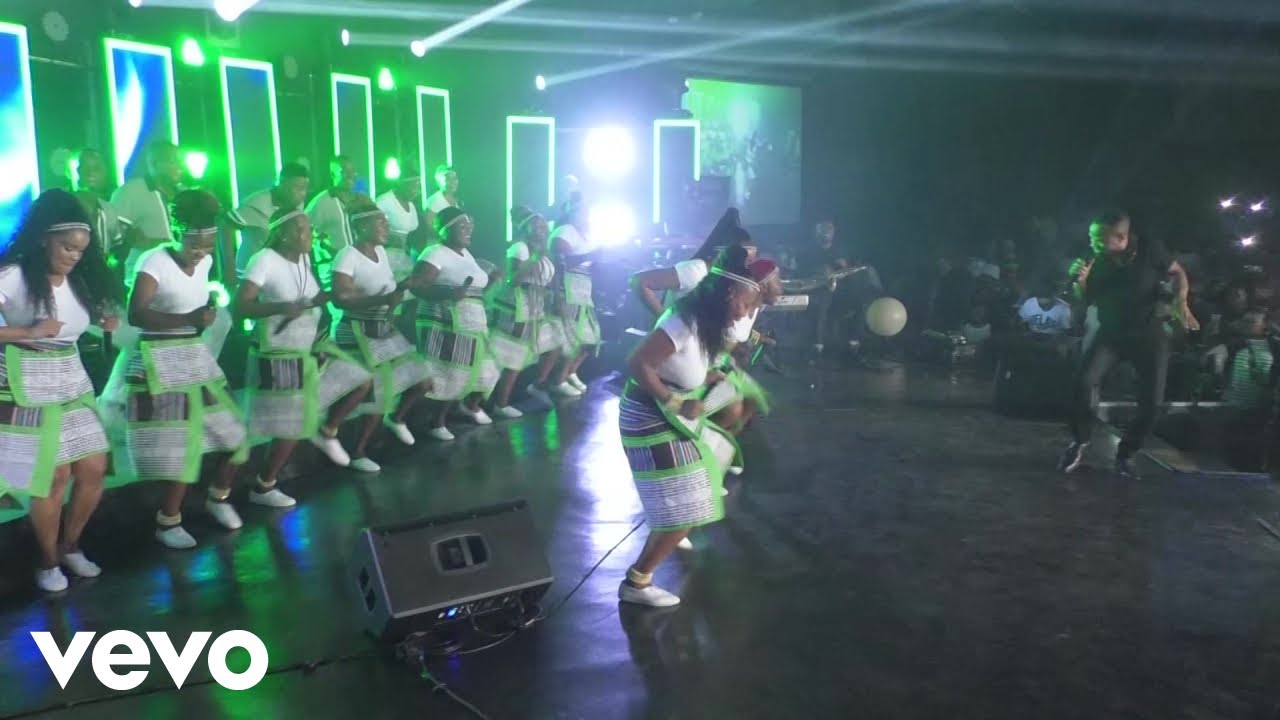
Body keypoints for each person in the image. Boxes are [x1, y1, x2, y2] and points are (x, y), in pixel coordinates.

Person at [616, 250, 769, 607]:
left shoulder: (707, 320)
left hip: (671, 410)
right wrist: (673, 401)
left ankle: (670, 530)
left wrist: (707, 377)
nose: (746, 313)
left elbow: (685, 364)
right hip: (649, 414)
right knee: (693, 501)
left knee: (697, 494)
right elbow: (638, 363)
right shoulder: (683, 320)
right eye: (746, 304)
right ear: (729, 294)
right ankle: (638, 581)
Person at [112, 190, 250, 549]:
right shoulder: (153, 261)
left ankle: (218, 498)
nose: (201, 252)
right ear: (177, 230)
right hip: (159, 357)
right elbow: (137, 314)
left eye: (208, 244)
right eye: (194, 244)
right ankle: (168, 520)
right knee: (182, 446)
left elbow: (194, 306)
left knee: (236, 434)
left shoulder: (205, 263)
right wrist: (189, 318)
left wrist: (204, 313)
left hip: (193, 355)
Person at [0, 189, 122, 592]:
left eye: (80, 250)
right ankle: (48, 560)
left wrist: (101, 321)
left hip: (70, 379)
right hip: (24, 381)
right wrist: (28, 331)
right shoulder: (12, 275)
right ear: (43, 239)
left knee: (93, 468)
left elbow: (74, 321)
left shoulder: (81, 279)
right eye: (67, 247)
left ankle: (71, 546)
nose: (74, 256)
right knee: (52, 475)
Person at [235, 209, 372, 501]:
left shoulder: (305, 259)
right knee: (290, 427)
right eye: (304, 229)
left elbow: (312, 298)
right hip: (278, 352)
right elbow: (242, 306)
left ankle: (327, 431)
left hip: (310, 346)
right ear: (284, 234)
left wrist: (334, 295)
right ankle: (263, 486)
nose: (311, 234)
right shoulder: (264, 260)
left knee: (360, 381)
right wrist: (280, 307)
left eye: (310, 228)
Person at [1058, 210, 1198, 478]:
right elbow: (1086, 298)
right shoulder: (1095, 259)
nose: (1092, 243)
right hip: (1111, 333)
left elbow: (1178, 272)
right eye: (1091, 236)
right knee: (1084, 382)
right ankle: (1080, 441)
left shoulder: (1149, 249)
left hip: (1148, 334)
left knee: (1152, 403)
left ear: (1121, 238)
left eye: (1099, 239)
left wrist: (1181, 302)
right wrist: (1080, 281)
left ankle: (1127, 454)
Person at [329, 198, 433, 470]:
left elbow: (388, 295)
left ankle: (395, 419)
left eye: (387, 222)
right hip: (357, 330)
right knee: (378, 392)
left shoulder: (382, 253)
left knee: (422, 381)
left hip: (383, 329)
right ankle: (355, 450)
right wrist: (385, 299)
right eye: (380, 222)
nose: (387, 227)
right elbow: (340, 299)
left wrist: (402, 287)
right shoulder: (347, 255)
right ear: (362, 226)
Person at [410, 207, 501, 440]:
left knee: (487, 371)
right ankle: (435, 422)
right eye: (462, 225)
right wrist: (448, 293)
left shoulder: (466, 255)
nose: (469, 229)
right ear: (444, 229)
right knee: (452, 373)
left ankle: (468, 406)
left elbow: (473, 292)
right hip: (445, 322)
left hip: (472, 323)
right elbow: (417, 286)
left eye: (470, 225)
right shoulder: (435, 253)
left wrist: (492, 281)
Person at [488, 207, 567, 416]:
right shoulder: (520, 248)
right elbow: (512, 279)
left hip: (536, 307)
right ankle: (499, 404)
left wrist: (556, 298)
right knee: (514, 354)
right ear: (527, 229)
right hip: (517, 306)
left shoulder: (544, 252)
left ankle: (537, 384)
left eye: (544, 225)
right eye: (537, 225)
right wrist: (534, 259)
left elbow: (549, 280)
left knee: (554, 343)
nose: (542, 229)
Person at [630, 208, 757, 317]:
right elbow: (639, 281)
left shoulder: (725, 282)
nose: (747, 267)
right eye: (745, 260)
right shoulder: (696, 270)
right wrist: (664, 322)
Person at [547, 194, 600, 395]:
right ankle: (558, 380)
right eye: (582, 210)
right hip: (568, 290)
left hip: (583, 291)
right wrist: (591, 256)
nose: (586, 214)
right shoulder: (564, 231)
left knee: (590, 338)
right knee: (573, 338)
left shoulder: (585, 234)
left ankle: (570, 372)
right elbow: (558, 263)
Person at [110, 141, 182, 286]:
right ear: (154, 164)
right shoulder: (130, 191)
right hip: (144, 278)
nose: (181, 167)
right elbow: (112, 234)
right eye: (174, 162)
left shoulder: (183, 194)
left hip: (178, 277)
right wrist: (148, 243)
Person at [232, 163, 311, 278]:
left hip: (279, 272)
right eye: (297, 187)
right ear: (282, 183)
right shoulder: (255, 203)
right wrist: (229, 266)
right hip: (250, 271)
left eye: (304, 188)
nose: (302, 193)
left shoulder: (296, 205)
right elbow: (225, 226)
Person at [70, 149, 134, 268]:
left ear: (106, 172)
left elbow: (118, 248)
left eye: (96, 168)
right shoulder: (64, 203)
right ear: (78, 171)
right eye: (85, 168)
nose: (90, 173)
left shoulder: (112, 206)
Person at [375, 166, 425, 281]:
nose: (418, 190)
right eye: (414, 186)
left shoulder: (412, 205)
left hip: (406, 255)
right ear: (402, 184)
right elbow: (374, 229)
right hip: (387, 255)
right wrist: (393, 238)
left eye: (419, 186)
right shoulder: (384, 201)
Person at [306, 156, 360, 256]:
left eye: (353, 171)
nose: (350, 175)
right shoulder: (321, 202)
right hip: (332, 263)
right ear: (332, 174)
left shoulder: (360, 200)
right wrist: (325, 248)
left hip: (358, 262)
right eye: (344, 172)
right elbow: (305, 233)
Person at [422, 165, 460, 233]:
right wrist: (443, 237)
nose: (452, 182)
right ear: (438, 182)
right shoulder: (434, 201)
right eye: (447, 179)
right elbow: (428, 226)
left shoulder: (457, 201)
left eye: (454, 178)